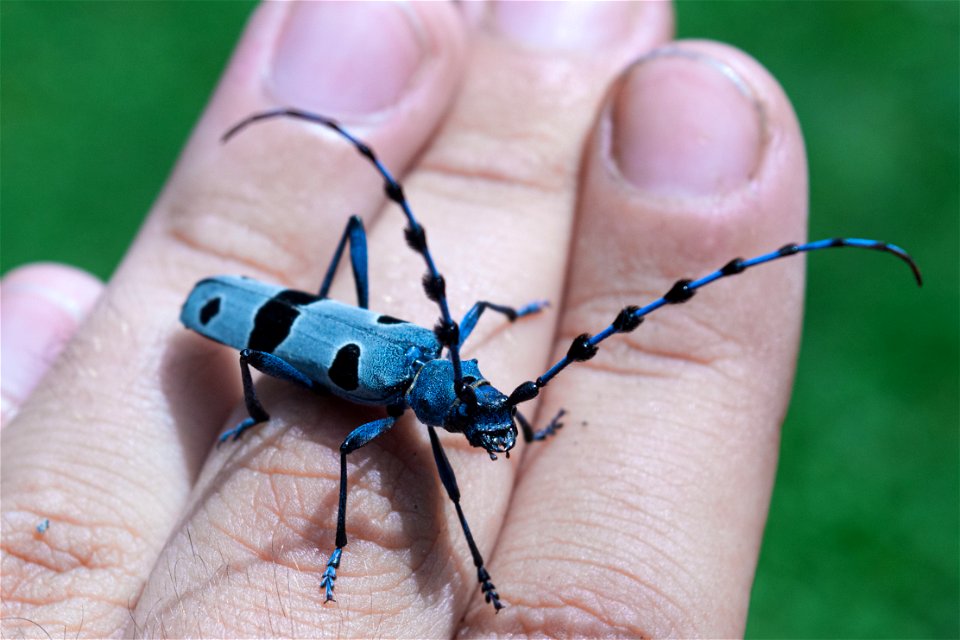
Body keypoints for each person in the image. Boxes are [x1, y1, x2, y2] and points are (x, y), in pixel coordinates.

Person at [2, 2, 813, 636]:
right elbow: (425, 466)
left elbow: (481, 388)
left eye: (485, 411)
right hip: (253, 324)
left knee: (460, 335)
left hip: (324, 319)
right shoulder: (394, 399)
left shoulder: (450, 362)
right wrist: (281, 456)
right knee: (272, 361)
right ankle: (279, 449)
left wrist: (514, 406)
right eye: (478, 414)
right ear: (432, 404)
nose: (483, 418)